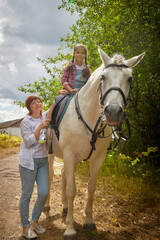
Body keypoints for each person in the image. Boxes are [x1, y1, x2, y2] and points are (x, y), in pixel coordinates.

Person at [19, 95, 55, 239]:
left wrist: (59, 95)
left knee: (44, 192)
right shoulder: (25, 122)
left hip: (42, 161)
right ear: (29, 107)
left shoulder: (45, 115)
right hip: (28, 162)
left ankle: (34, 221)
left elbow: (52, 108)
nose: (37, 104)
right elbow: (28, 142)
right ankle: (25, 227)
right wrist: (40, 127)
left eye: (39, 101)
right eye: (33, 103)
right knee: (26, 194)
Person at [46, 43, 92, 121]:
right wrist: (70, 90)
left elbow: (89, 82)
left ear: (85, 56)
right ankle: (49, 120)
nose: (80, 55)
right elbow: (63, 80)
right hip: (68, 91)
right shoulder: (70, 66)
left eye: (82, 53)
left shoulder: (86, 68)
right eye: (78, 52)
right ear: (73, 54)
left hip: (82, 92)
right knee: (57, 101)